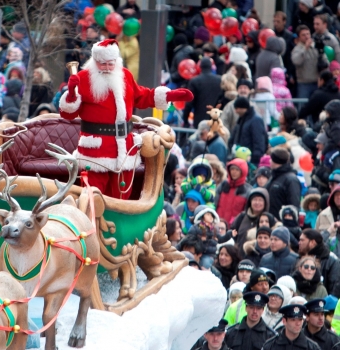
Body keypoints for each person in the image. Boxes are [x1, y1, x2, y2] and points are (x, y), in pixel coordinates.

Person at [58, 39, 192, 198]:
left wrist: (169, 95)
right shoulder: (83, 78)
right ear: (95, 61)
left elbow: (142, 96)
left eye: (110, 63)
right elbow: (67, 114)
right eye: (102, 64)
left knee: (122, 197)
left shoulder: (125, 76)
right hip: (95, 152)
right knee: (93, 198)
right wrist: (72, 93)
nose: (107, 68)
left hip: (125, 149)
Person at [298, 228, 340, 296]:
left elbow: (334, 288)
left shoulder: (332, 261)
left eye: (302, 240)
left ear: (312, 242)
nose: (299, 243)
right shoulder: (299, 258)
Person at [182, 57, 223, 128]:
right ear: (211, 66)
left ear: (200, 67)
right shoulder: (219, 80)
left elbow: (189, 103)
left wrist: (185, 120)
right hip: (216, 118)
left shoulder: (194, 81)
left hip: (199, 119)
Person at [229, 97, 268, 167]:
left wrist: (254, 160)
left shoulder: (255, 120)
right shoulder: (242, 119)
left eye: (236, 108)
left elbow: (259, 141)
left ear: (242, 108)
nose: (235, 111)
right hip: (242, 159)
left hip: (251, 161)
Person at [265, 149, 302, 218]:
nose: (269, 161)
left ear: (275, 161)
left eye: (271, 159)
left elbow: (294, 205)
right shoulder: (274, 176)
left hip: (281, 222)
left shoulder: (291, 180)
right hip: (269, 220)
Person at [292, 25, 325, 99]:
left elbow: (325, 60)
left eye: (308, 34)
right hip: (304, 84)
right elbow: (296, 61)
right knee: (303, 106)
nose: (306, 37)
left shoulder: (315, 47)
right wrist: (305, 48)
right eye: (303, 35)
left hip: (317, 82)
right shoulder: (297, 49)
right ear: (299, 37)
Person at [216, 159, 252, 224]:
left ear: (243, 172)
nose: (234, 172)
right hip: (218, 224)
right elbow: (214, 203)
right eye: (232, 169)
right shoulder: (223, 185)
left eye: (237, 170)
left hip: (234, 227)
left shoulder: (248, 190)